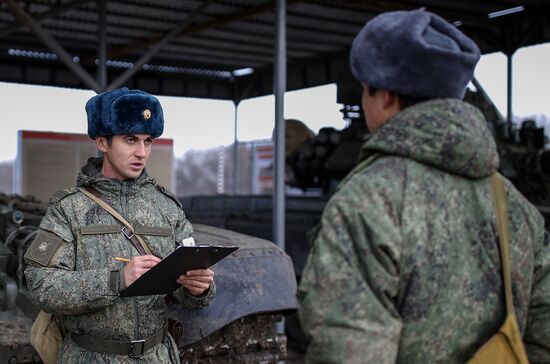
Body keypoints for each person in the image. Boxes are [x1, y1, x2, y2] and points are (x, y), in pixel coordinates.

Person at [298, 9, 550, 364]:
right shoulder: (513, 204)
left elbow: (349, 352)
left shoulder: (367, 202)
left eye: (365, 91)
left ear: (384, 96)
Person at [24, 87, 216, 363]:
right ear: (103, 143)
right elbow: (41, 286)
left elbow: (192, 291)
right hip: (91, 356)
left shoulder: (167, 208)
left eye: (148, 141)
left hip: (157, 356)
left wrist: (199, 288)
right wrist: (116, 280)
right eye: (130, 140)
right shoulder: (68, 209)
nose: (141, 152)